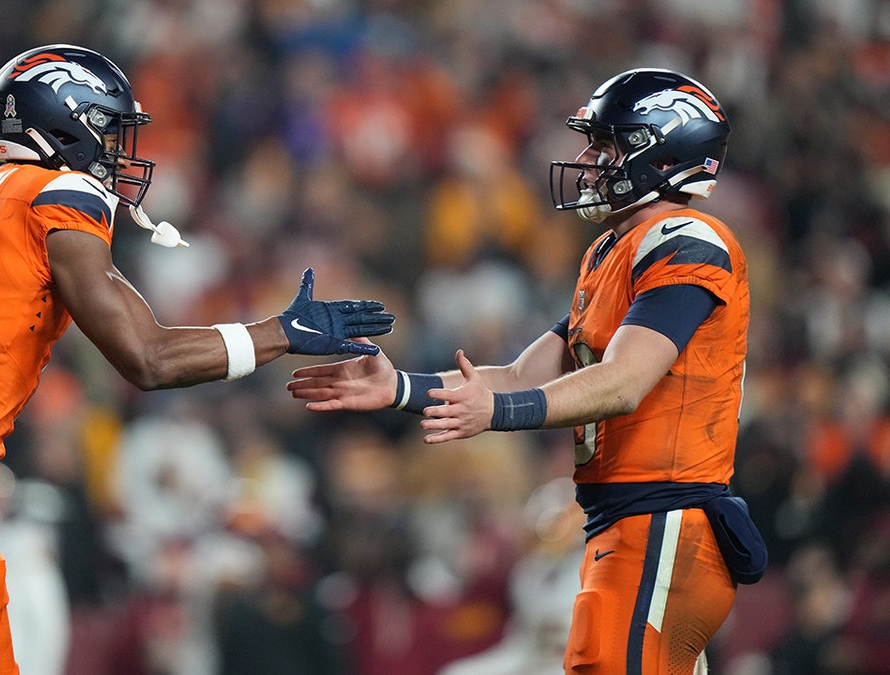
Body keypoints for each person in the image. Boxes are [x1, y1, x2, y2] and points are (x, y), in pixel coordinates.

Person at [0, 43, 394, 675]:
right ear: (66, 125)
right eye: (109, 131)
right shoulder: (60, 197)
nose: (118, 154)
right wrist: (280, 334)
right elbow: (148, 360)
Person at [288, 68, 766, 674]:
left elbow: (622, 382)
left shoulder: (688, 240)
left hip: (665, 519)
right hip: (628, 522)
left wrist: (498, 415)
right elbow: (519, 374)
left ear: (660, 150)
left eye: (609, 144)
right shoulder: (613, 250)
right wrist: (399, 388)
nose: (589, 160)